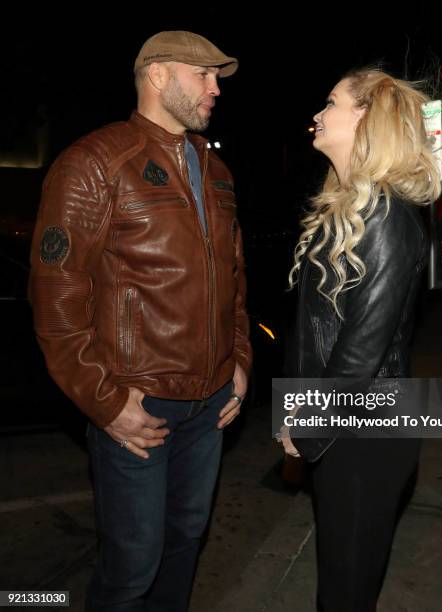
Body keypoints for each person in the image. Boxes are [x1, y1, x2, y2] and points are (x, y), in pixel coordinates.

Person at [29, 30, 251, 612]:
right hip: (139, 405)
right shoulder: (94, 162)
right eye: (203, 74)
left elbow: (234, 282)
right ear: (157, 76)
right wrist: (104, 401)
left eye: (218, 78)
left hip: (210, 406)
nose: (215, 88)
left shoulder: (219, 170)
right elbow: (56, 297)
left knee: (184, 544)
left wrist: (241, 362)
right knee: (131, 569)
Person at [282, 68, 442, 611]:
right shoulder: (351, 210)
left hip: (367, 434)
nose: (318, 114)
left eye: (331, 103)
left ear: (366, 118)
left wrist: (304, 430)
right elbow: (317, 334)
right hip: (346, 423)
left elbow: (359, 354)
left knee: (346, 592)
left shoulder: (387, 218)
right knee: (343, 582)